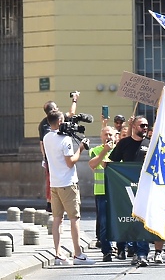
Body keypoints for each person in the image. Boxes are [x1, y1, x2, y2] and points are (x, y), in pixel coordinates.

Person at [42, 110, 95, 266]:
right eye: (64, 120)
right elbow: (70, 162)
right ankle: (78, 254)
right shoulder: (65, 140)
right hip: (68, 184)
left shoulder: (46, 137)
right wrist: (81, 148)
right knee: (74, 219)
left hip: (55, 184)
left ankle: (58, 255)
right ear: (59, 121)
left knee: (57, 219)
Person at [109, 115, 161, 266]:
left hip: (147, 188)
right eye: (142, 125)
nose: (145, 128)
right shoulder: (124, 143)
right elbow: (114, 163)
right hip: (129, 190)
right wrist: (108, 166)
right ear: (133, 126)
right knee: (134, 222)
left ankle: (143, 253)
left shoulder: (150, 144)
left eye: (146, 125)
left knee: (143, 220)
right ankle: (136, 251)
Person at [39, 94, 77, 212]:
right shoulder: (58, 121)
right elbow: (71, 113)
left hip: (49, 158)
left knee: (51, 180)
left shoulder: (43, 124)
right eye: (57, 108)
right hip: (62, 155)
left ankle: (50, 203)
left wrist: (45, 158)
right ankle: (58, 203)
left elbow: (41, 143)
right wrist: (74, 99)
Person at [88, 125, 116, 262]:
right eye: (106, 134)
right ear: (101, 136)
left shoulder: (119, 151)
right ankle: (107, 251)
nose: (108, 137)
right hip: (102, 192)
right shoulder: (96, 150)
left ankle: (122, 248)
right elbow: (92, 164)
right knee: (104, 223)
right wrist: (104, 152)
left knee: (118, 221)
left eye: (110, 135)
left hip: (117, 193)